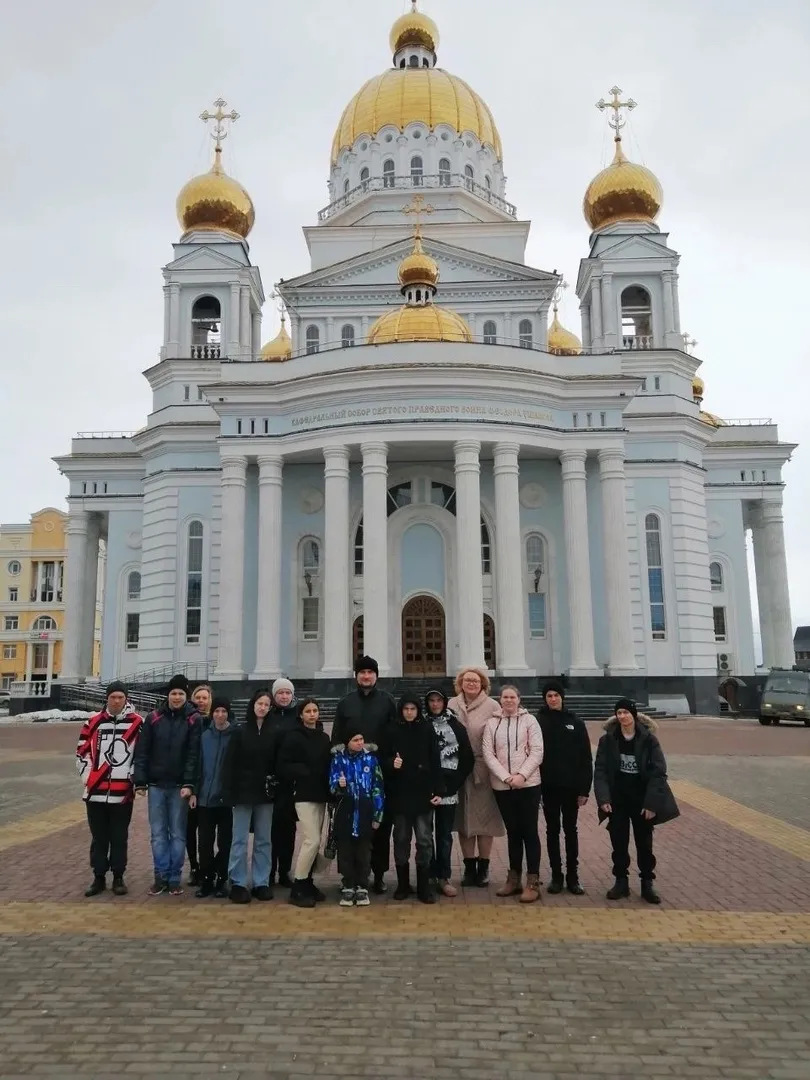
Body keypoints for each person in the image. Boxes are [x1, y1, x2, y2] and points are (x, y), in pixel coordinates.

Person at [594, 698, 680, 904]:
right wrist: (604, 798)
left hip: (641, 801)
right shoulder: (608, 740)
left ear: (633, 714)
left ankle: (647, 883)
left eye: (625, 712)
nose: (622, 716)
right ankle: (621, 881)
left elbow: (658, 772)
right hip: (618, 800)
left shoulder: (649, 740)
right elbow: (601, 770)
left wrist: (651, 804)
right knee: (619, 843)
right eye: (619, 713)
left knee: (644, 843)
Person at [331, 656, 396, 893]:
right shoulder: (346, 703)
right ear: (356, 676)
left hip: (379, 778)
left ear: (376, 676)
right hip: (351, 780)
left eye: (370, 672)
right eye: (362, 672)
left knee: (379, 828)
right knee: (349, 830)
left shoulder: (387, 702)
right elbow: (337, 737)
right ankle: (349, 876)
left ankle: (377, 875)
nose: (366, 676)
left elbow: (393, 735)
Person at [133, 674, 201, 896]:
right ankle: (160, 875)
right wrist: (140, 781)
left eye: (181, 693)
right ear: (168, 695)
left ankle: (174, 877)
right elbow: (143, 751)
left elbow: (193, 754)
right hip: (156, 784)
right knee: (158, 833)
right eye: (174, 693)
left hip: (179, 786)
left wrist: (189, 783)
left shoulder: (193, 719)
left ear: (186, 696)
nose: (177, 697)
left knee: (178, 833)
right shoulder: (153, 719)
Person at [76, 680, 144, 897]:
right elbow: (82, 752)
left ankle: (118, 877)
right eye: (113, 697)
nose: (116, 701)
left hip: (122, 794)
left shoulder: (137, 723)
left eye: (120, 697)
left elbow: (141, 756)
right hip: (95, 792)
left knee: (118, 836)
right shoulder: (93, 722)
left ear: (126, 699)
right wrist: (88, 777)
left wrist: (132, 777)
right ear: (107, 698)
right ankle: (98, 877)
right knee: (99, 838)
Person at [482, 685, 544, 903]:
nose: (508, 700)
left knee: (529, 831)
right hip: (503, 786)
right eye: (504, 697)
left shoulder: (530, 721)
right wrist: (506, 777)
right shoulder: (492, 723)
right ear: (500, 700)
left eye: (512, 697)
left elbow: (537, 751)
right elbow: (488, 754)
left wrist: (521, 776)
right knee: (513, 832)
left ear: (519, 699)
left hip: (528, 785)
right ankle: (514, 878)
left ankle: (533, 881)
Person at [382, 694, 442, 904]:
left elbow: (435, 759)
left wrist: (438, 790)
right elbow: (382, 759)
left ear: (418, 710)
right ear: (401, 710)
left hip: (423, 793)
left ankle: (424, 886)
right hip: (399, 794)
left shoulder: (426, 729)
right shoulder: (391, 730)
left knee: (425, 839)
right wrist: (391, 763)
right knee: (401, 838)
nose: (409, 712)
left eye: (413, 709)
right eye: (406, 709)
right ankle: (403, 884)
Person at [221, 688, 277, 904]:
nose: (262, 708)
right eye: (259, 703)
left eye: (266, 705)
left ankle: (261, 881)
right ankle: (238, 882)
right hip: (242, 792)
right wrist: (229, 791)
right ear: (253, 705)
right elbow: (229, 764)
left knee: (264, 839)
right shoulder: (239, 731)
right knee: (240, 839)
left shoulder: (274, 731)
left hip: (265, 793)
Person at [447, 667, 503, 887]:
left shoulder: (492, 706)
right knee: (463, 819)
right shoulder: (451, 704)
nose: (471, 683)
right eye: (467, 680)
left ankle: (484, 867)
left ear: (483, 684)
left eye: (476, 680)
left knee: (485, 819)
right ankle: (469, 867)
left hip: (483, 769)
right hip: (458, 769)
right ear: (460, 683)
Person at [537, 680, 593, 895]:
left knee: (571, 831)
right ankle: (556, 876)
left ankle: (573, 876)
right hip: (548, 787)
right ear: (545, 698)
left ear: (562, 697)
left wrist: (584, 790)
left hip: (571, 788)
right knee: (552, 831)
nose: (553, 699)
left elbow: (585, 758)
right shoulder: (538, 721)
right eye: (549, 695)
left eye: (556, 695)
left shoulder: (575, 722)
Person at [276, 697, 331, 909]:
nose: (312, 714)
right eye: (307, 711)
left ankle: (308, 882)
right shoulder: (293, 738)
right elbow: (284, 765)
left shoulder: (323, 738)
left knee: (317, 840)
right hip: (302, 795)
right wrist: (306, 772)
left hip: (320, 795)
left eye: (315, 710)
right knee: (312, 841)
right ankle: (298, 885)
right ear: (301, 714)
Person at [424, 689, 474, 897]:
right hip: (425, 789)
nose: (435, 704)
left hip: (448, 789)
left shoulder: (456, 726)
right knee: (425, 836)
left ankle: (443, 877)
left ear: (444, 702)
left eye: (438, 700)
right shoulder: (421, 724)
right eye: (431, 701)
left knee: (444, 836)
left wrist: (453, 784)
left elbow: (467, 758)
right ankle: (427, 876)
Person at [329, 731, 385, 907]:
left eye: (362, 739)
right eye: (355, 740)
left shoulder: (371, 760)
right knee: (345, 850)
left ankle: (362, 885)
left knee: (363, 851)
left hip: (365, 812)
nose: (360, 743)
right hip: (345, 811)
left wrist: (378, 814)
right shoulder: (338, 760)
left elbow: (378, 787)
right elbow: (331, 784)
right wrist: (338, 784)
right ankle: (348, 884)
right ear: (347, 742)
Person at [192, 697, 234, 899]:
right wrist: (193, 790)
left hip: (225, 799)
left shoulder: (235, 736)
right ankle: (207, 878)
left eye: (223, 711)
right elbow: (196, 764)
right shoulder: (204, 736)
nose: (220, 715)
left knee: (225, 842)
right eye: (216, 711)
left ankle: (222, 879)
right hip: (205, 798)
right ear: (212, 713)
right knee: (205, 843)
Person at [267, 677, 299, 889]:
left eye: (288, 693)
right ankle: (268, 871)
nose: (284, 696)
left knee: (288, 830)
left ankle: (284, 871)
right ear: (274, 695)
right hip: (270, 782)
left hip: (290, 782)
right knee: (268, 830)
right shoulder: (266, 716)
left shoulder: (297, 717)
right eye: (280, 693)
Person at [186, 683, 213, 886]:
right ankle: (194, 867)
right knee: (189, 828)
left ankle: (208, 866)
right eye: (198, 697)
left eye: (205, 698)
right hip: (190, 784)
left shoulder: (217, 721)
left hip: (209, 786)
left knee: (207, 830)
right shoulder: (187, 721)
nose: (201, 701)